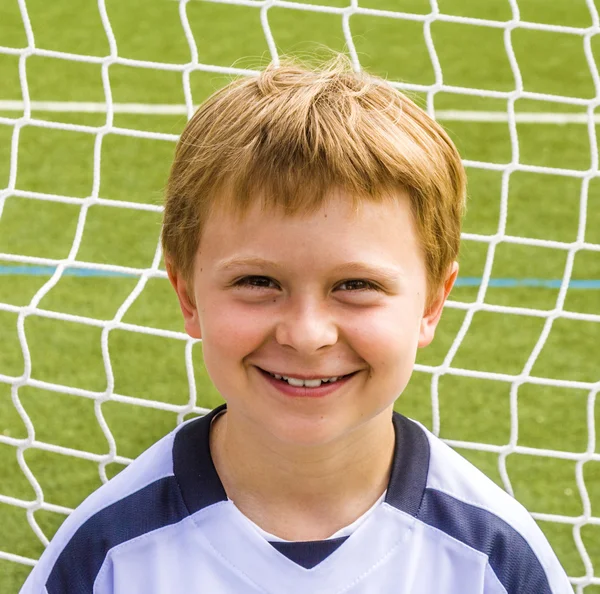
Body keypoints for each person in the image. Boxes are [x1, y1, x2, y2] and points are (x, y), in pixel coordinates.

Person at [20, 54, 573, 594]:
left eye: (356, 286)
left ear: (432, 303)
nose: (307, 335)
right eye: (258, 282)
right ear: (187, 294)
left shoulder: (494, 558)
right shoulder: (107, 554)